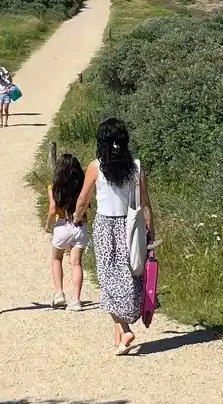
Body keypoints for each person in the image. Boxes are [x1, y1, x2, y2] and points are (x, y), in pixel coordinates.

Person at [73, 118, 150, 354]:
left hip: (106, 226)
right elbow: (146, 203)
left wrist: (77, 217)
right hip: (131, 225)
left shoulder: (96, 166)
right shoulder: (136, 166)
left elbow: (83, 199)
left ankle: (125, 330)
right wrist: (151, 230)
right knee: (129, 275)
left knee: (108, 280)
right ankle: (119, 339)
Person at [47, 152, 88, 310]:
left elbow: (52, 209)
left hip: (62, 225)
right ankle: (76, 300)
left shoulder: (54, 187)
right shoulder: (82, 186)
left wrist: (48, 225)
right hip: (79, 225)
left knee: (56, 259)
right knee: (76, 263)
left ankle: (59, 293)